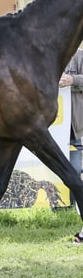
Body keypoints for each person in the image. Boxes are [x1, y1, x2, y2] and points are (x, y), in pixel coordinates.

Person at [59, 48, 83, 244]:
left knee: (75, 170)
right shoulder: (50, 54)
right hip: (54, 127)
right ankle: (58, 206)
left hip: (77, 127)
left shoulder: (80, 56)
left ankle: (73, 208)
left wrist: (72, 80)